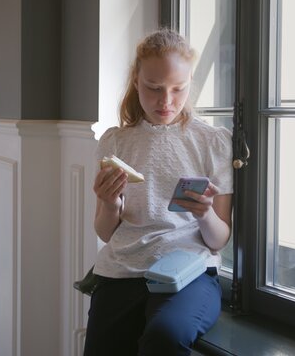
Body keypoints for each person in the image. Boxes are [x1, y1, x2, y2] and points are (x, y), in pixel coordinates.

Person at [83, 29, 234, 356]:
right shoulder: (114, 142)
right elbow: (106, 232)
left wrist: (205, 213)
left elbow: (219, 239)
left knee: (165, 337)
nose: (166, 101)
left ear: (190, 82)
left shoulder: (212, 142)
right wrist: (109, 204)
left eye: (178, 89)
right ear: (136, 80)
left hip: (188, 273)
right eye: (153, 88)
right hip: (120, 271)